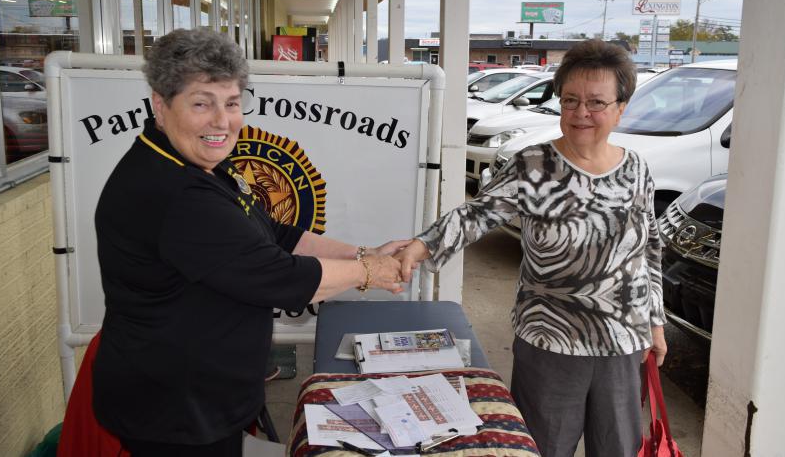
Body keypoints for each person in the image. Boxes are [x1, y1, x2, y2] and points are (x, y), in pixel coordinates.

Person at [91, 28, 408, 457]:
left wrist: (362, 254)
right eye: (201, 103)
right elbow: (277, 277)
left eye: (232, 103)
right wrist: (374, 272)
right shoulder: (173, 192)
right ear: (160, 106)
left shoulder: (203, 167)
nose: (221, 121)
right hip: (175, 412)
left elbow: (276, 235)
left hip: (204, 394)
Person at [396, 39, 667, 457]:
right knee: (542, 448)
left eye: (596, 102)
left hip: (623, 340)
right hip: (550, 342)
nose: (580, 113)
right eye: (570, 100)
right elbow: (476, 214)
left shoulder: (636, 168)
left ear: (620, 107)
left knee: (617, 449)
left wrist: (656, 322)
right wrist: (420, 247)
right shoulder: (533, 164)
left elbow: (650, 250)